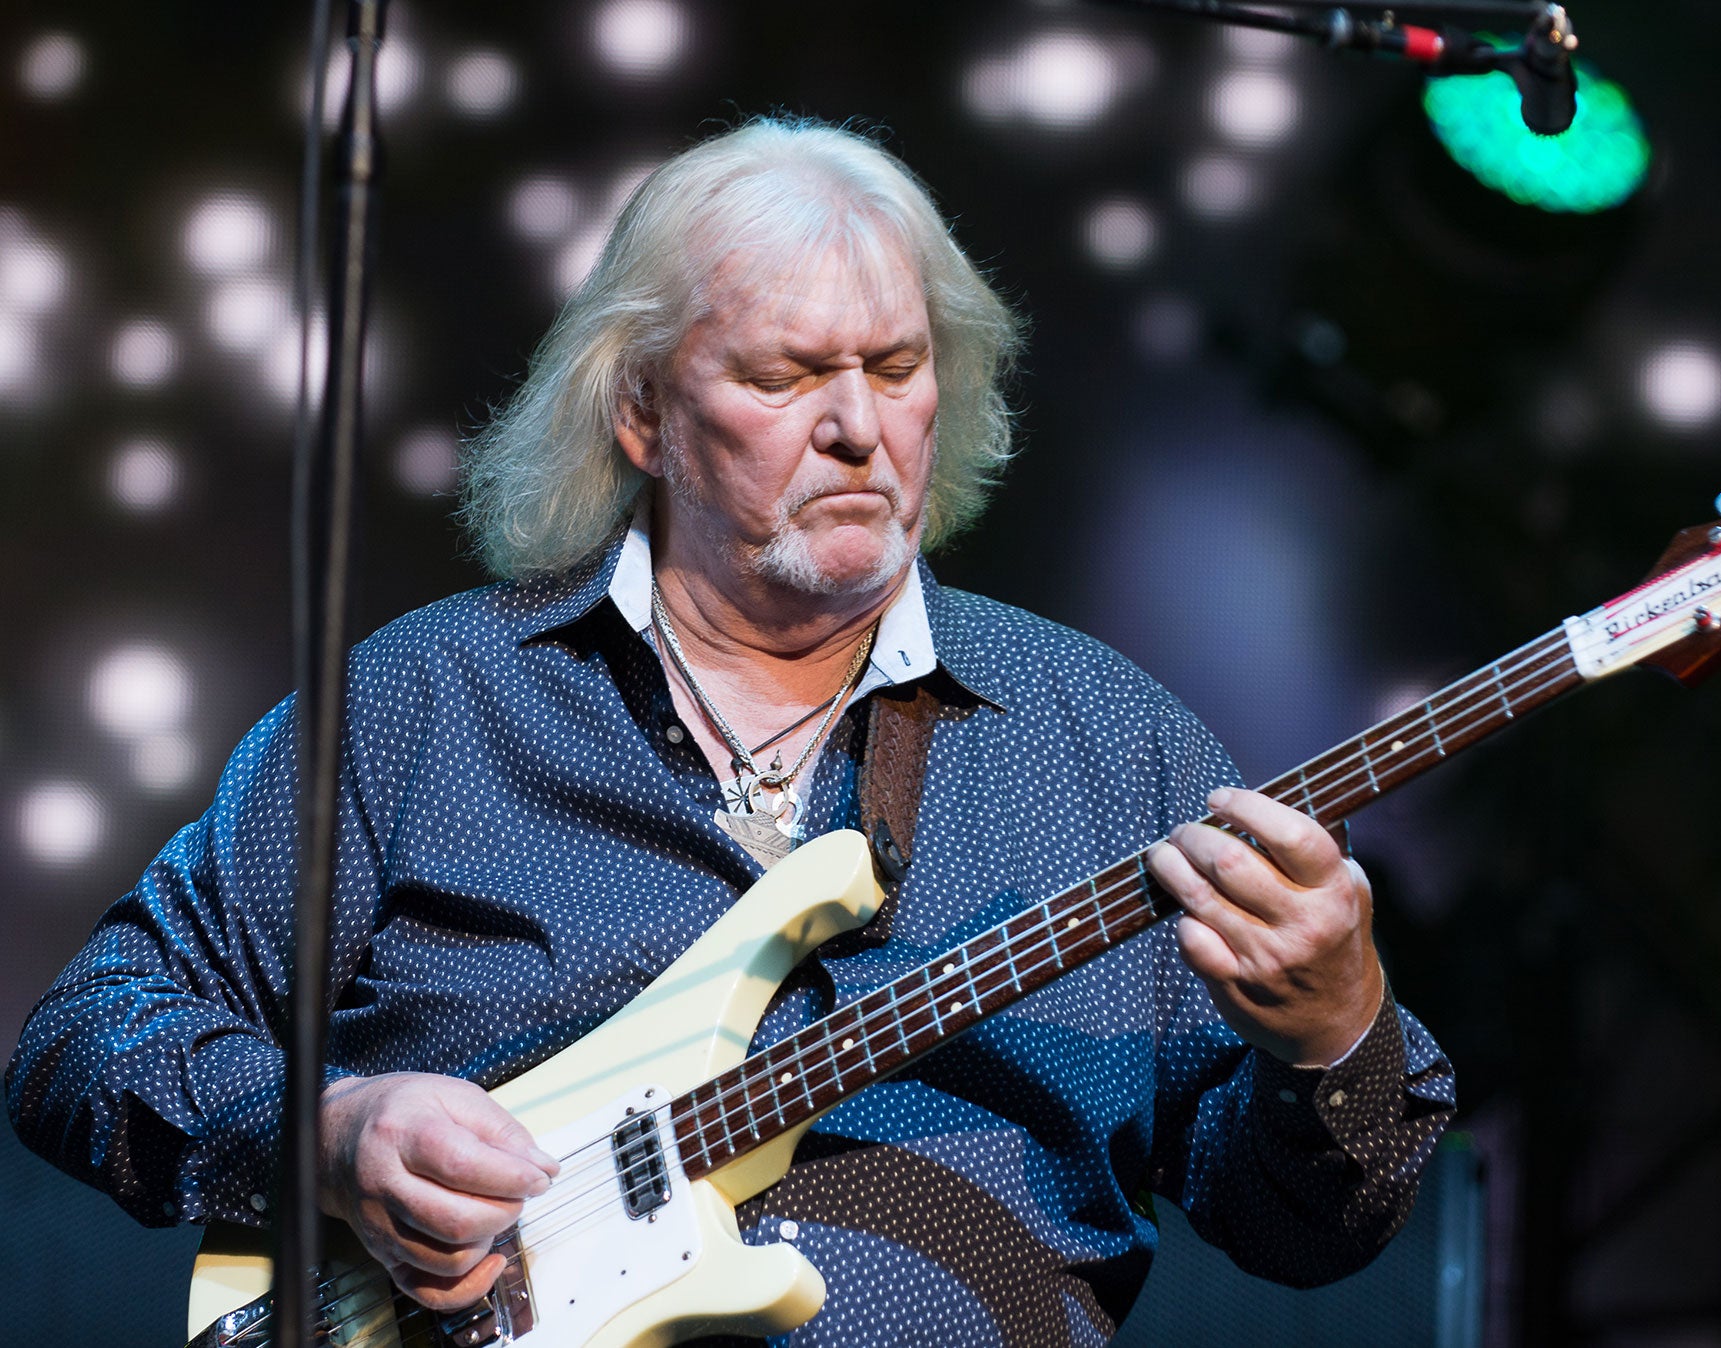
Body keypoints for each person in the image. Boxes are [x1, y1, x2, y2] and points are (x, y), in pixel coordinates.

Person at [6, 117, 1453, 1345]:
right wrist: (329, 1136)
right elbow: (85, 1039)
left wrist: (1335, 1036)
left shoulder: (1105, 739)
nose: (857, 427)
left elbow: (1300, 1232)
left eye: (895, 369)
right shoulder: (424, 706)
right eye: (784, 375)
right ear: (641, 411)